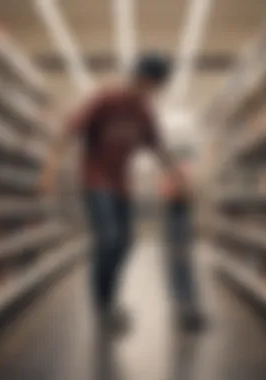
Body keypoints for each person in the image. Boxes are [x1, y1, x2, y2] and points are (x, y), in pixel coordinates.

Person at [42, 54, 187, 333]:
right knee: (108, 240)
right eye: (155, 84)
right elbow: (68, 132)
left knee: (125, 243)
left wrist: (176, 173)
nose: (155, 91)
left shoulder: (144, 111)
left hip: (122, 186)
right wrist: (50, 170)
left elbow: (157, 145)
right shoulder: (106, 100)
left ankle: (109, 301)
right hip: (95, 183)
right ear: (144, 78)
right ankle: (103, 307)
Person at [160, 148, 205, 332]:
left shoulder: (183, 172)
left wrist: (183, 186)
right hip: (174, 217)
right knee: (178, 264)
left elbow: (191, 193)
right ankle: (184, 306)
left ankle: (188, 306)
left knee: (183, 264)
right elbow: (169, 194)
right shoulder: (170, 175)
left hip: (181, 217)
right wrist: (179, 186)